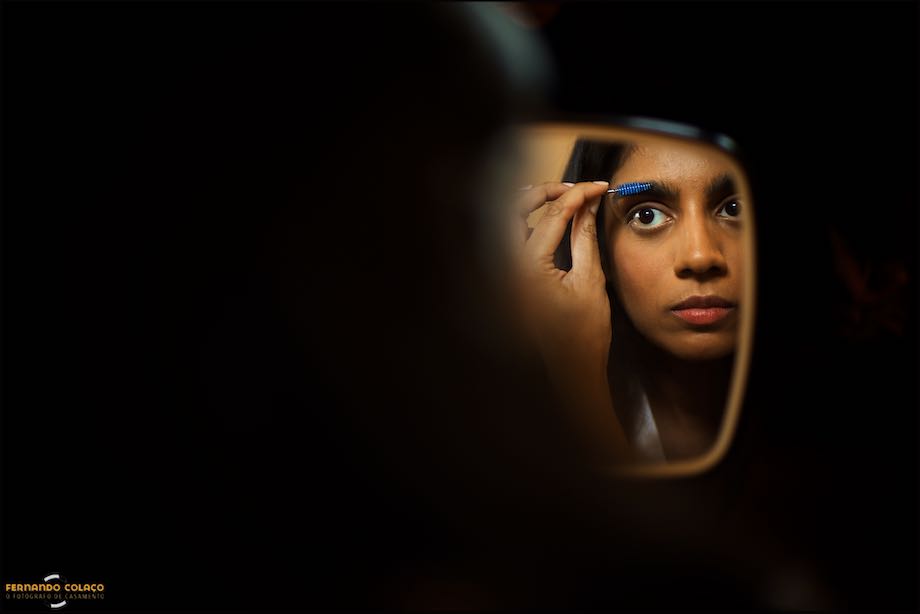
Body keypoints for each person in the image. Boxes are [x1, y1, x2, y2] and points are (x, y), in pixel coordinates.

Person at [514, 136, 743, 463]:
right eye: (647, 215)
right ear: (599, 254)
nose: (700, 256)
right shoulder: (520, 428)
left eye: (734, 208)